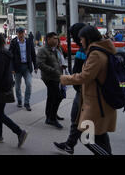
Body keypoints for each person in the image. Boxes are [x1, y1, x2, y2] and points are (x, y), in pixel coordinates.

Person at [60, 26, 117, 155]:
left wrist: (64, 78)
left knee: (86, 137)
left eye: (82, 38)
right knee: (100, 135)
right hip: (100, 101)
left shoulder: (96, 54)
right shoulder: (103, 50)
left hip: (95, 104)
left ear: (88, 38)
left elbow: (85, 76)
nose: (80, 41)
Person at [0, 33, 28, 146]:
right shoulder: (1, 53)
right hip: (3, 85)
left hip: (0, 87)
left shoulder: (0, 55)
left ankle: (19, 132)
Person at [54, 23, 87, 155]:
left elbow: (80, 73)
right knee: (77, 118)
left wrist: (66, 79)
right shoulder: (86, 49)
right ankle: (69, 144)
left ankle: (70, 144)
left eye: (74, 36)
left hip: (85, 92)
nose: (72, 39)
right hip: (83, 91)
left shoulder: (85, 51)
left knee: (78, 118)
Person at [37, 32, 64, 129]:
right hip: (49, 77)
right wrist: (53, 70)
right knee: (58, 96)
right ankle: (52, 118)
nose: (56, 40)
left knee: (52, 96)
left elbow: (59, 60)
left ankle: (50, 115)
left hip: (57, 76)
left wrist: (61, 67)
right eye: (54, 38)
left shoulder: (57, 49)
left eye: (57, 38)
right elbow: (40, 64)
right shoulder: (43, 50)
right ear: (48, 39)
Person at [9, 27, 37, 111]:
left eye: (22, 33)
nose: (20, 34)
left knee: (29, 84)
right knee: (17, 86)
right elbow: (10, 56)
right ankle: (20, 101)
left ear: (24, 33)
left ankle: (27, 102)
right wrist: (12, 68)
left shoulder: (28, 41)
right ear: (17, 33)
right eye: (19, 33)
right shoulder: (13, 42)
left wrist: (35, 66)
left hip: (27, 67)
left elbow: (33, 54)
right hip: (17, 67)